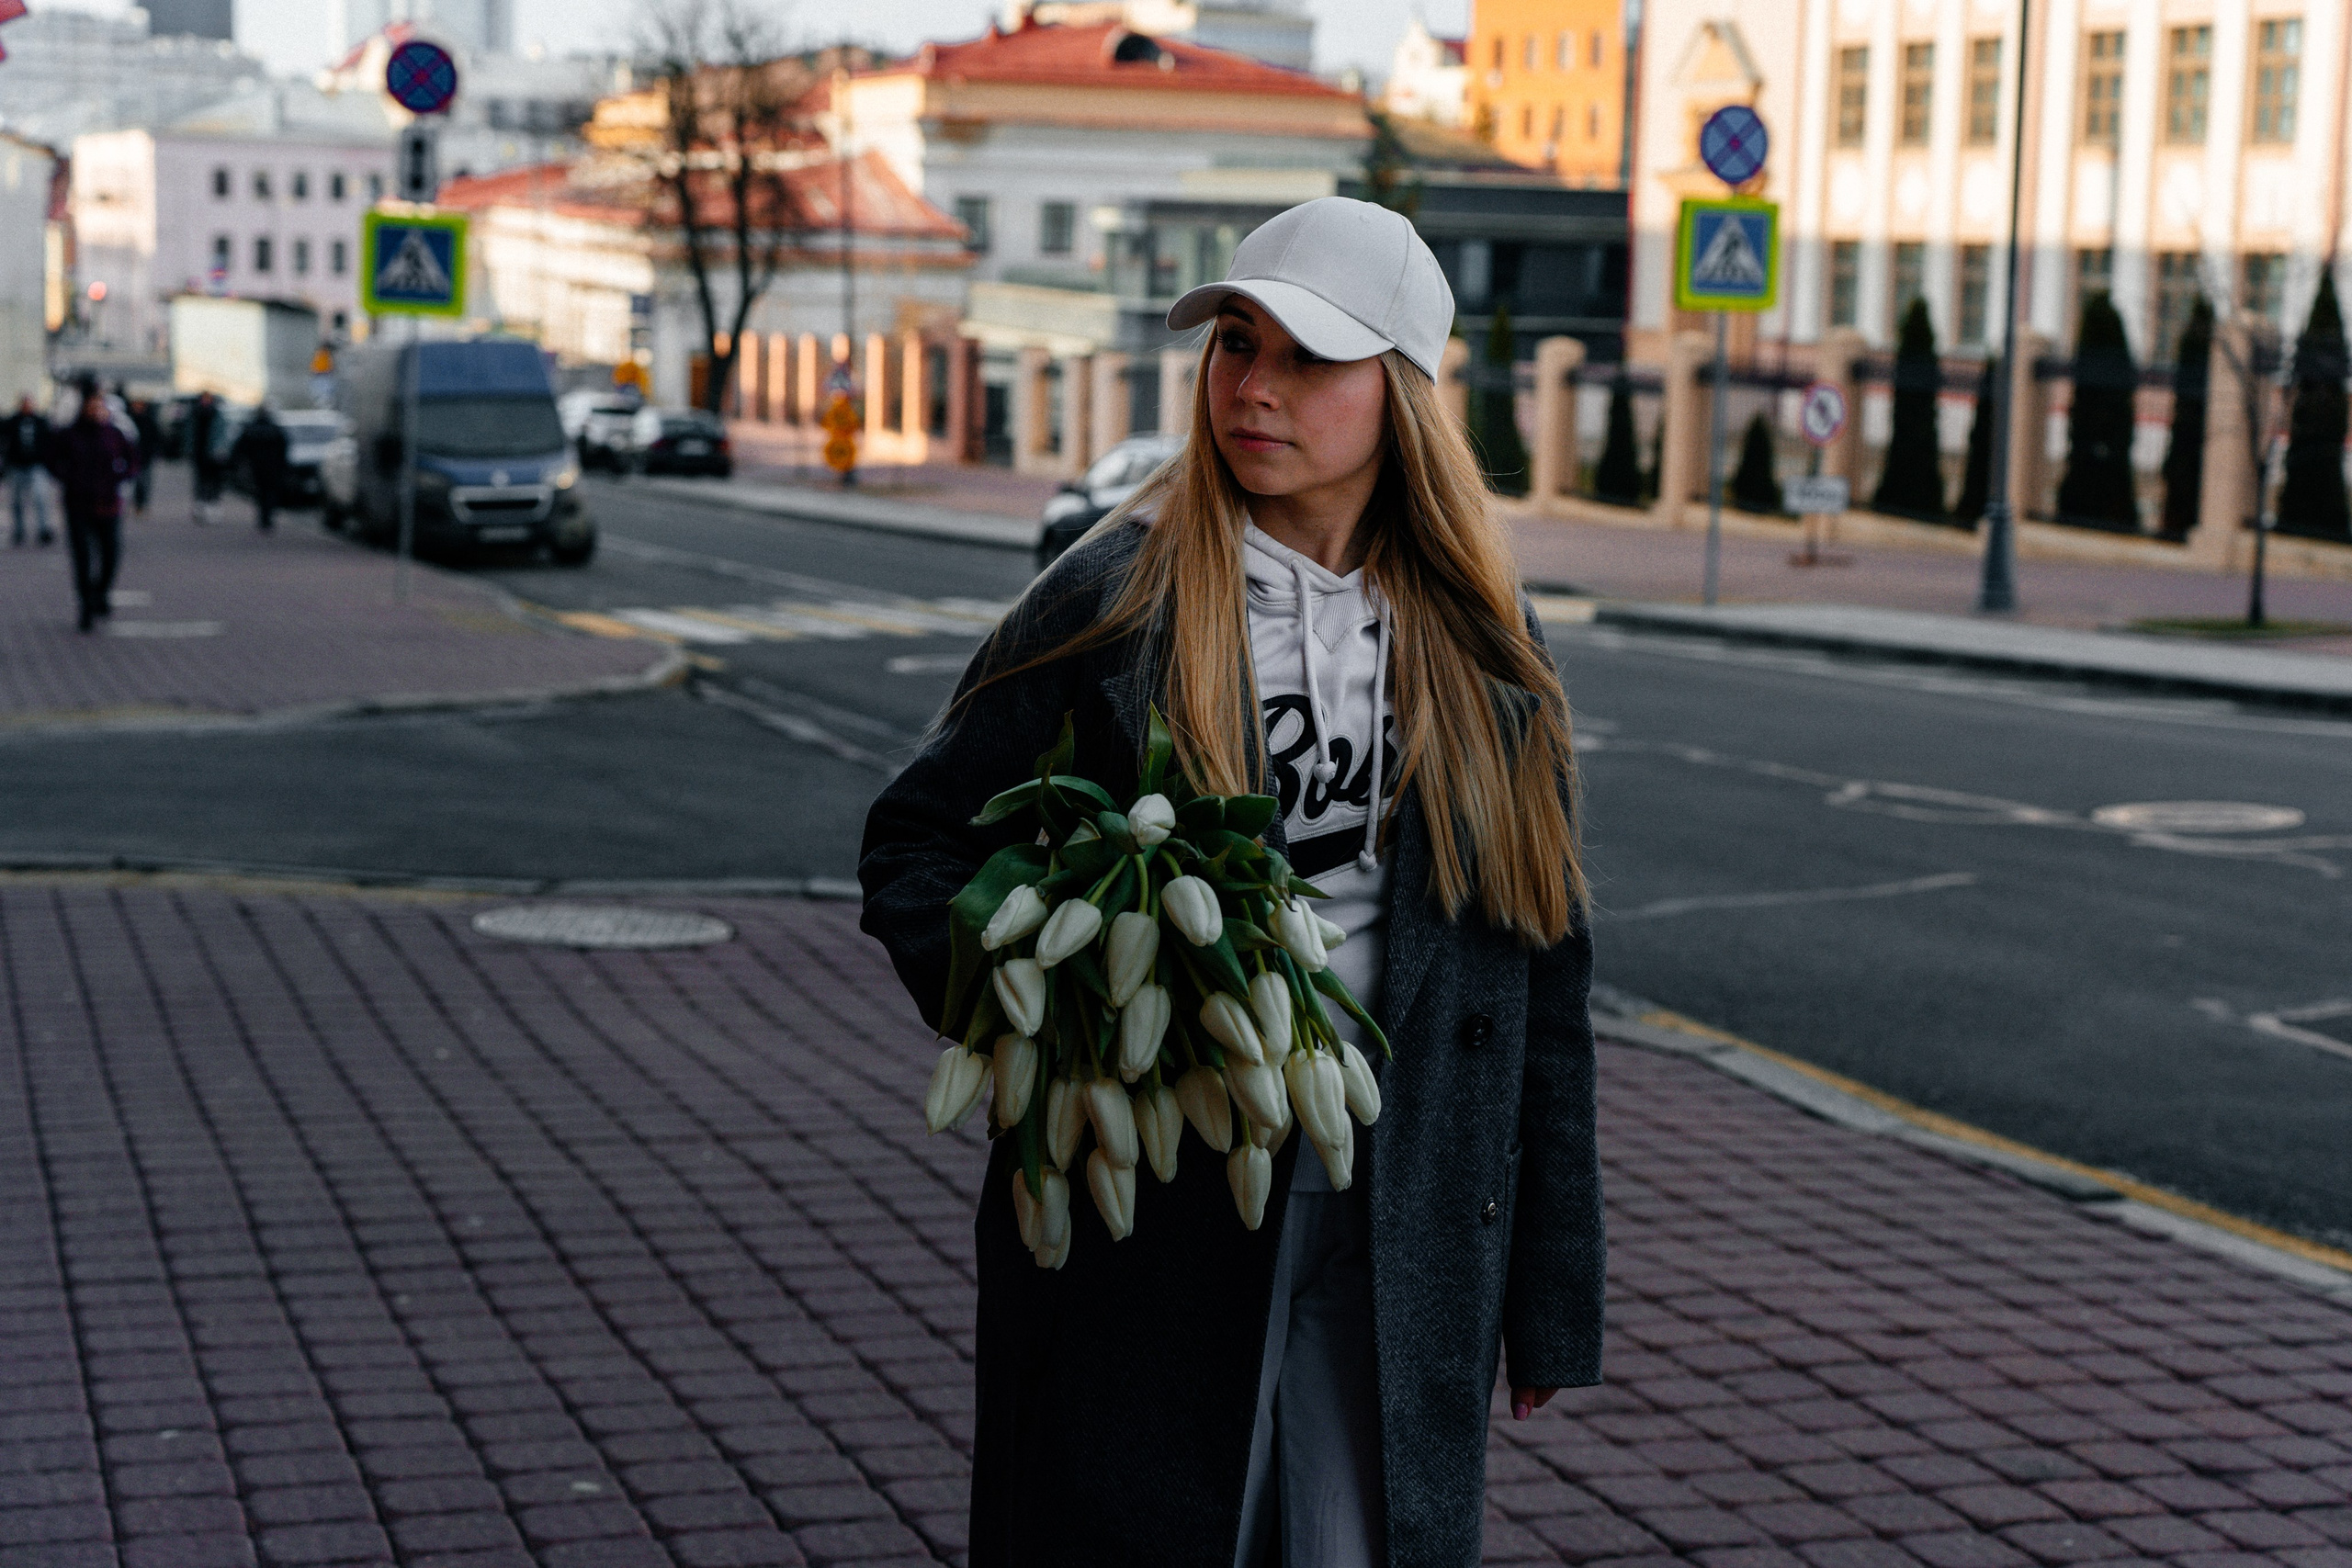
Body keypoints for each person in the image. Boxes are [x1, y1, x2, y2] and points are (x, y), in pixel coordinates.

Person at [860, 197, 1602, 1568]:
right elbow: (917, 843)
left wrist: (1548, 1287)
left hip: (1408, 1201)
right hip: (1152, 1207)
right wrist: (1050, 996)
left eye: (1307, 357)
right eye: (1233, 344)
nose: (1252, 387)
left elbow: (1540, 968)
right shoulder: (1117, 597)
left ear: (1406, 390)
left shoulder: (1489, 646)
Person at [43, 379, 137, 631]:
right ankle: (85, 606)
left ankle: (101, 592)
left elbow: (132, 461)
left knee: (111, 555)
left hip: (109, 505)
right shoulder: (70, 434)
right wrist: (68, 478)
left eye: (100, 406)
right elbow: (51, 460)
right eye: (92, 406)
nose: (97, 411)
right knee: (83, 558)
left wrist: (121, 477)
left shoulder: (114, 434)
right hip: (78, 505)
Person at [231, 404, 288, 532]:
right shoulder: (275, 428)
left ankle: (263, 517)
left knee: (261, 492)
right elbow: (284, 447)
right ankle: (267, 517)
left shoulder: (252, 428)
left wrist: (237, 462)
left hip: (256, 466)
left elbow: (240, 447)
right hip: (272, 466)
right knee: (270, 492)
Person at [5, 393, 52, 547]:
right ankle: (19, 530)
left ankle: (43, 529)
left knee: (40, 498)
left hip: (36, 465)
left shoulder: (41, 422)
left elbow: (49, 441)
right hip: (17, 465)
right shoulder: (12, 421)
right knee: (16, 500)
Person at [187, 389, 224, 525]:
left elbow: (222, 434)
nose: (206, 401)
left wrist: (220, 449)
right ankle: (200, 508)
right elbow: (189, 433)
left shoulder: (217, 414)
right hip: (199, 453)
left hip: (213, 455)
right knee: (200, 481)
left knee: (213, 482)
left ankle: (212, 508)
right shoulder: (195, 413)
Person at [128, 397, 160, 516]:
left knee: (144, 483)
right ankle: (134, 505)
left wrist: (153, 452)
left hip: (145, 457)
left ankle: (141, 505)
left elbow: (156, 438)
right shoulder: (129, 420)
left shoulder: (149, 421)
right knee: (133, 482)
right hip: (132, 456)